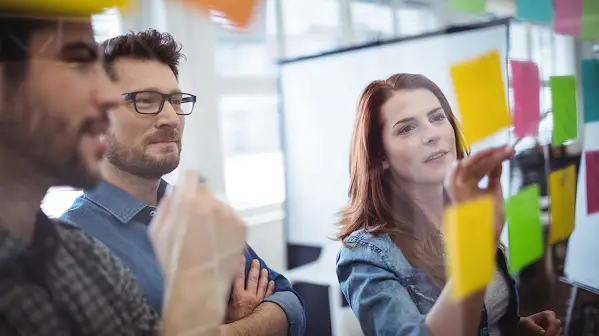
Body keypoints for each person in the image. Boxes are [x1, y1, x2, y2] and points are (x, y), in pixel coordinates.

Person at [0, 11, 246, 335]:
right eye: (78, 63)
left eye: (175, 100)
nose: (106, 98)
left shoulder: (82, 255)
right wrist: (197, 297)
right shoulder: (87, 237)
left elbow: (287, 300)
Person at [61, 29, 305, 336]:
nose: (171, 118)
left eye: (176, 100)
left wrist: (229, 330)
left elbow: (289, 301)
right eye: (146, 100)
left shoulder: (194, 209)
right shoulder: (73, 245)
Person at [335, 73, 563, 336]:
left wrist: (514, 326)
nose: (432, 134)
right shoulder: (366, 253)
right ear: (381, 156)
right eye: (407, 128)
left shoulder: (461, 213)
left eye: (437, 117)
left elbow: (480, 317)